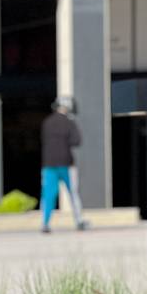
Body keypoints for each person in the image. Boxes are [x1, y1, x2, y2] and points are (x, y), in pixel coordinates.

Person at [40, 97, 88, 232]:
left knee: (48, 195)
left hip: (48, 164)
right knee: (73, 193)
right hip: (66, 163)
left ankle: (45, 223)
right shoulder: (69, 122)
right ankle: (79, 221)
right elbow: (77, 141)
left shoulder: (47, 122)